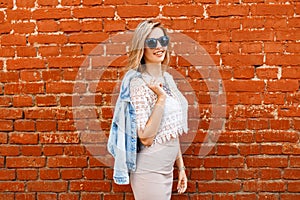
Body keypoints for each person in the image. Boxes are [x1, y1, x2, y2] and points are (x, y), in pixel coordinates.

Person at [107, 20, 188, 199]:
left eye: (163, 41)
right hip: (150, 171)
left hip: (168, 170)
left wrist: (180, 167)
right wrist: (160, 98)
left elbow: (171, 131)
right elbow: (146, 137)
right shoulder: (138, 84)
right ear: (141, 47)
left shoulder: (168, 79)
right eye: (152, 42)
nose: (159, 46)